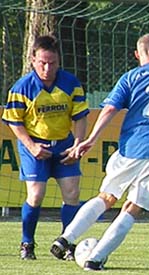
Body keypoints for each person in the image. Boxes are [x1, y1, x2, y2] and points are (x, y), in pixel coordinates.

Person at [49, 33, 149, 271]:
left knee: (106, 197)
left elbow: (109, 109)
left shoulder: (130, 77)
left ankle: (65, 238)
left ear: (137, 54)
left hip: (130, 150)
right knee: (132, 207)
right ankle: (95, 259)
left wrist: (91, 139)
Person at [1, 35, 89, 260]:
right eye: (42, 62)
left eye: (52, 63)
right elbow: (14, 121)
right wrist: (31, 146)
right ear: (33, 60)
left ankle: (66, 243)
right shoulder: (22, 87)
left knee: (72, 193)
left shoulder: (71, 84)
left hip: (64, 146)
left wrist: (78, 144)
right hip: (34, 146)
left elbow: (80, 117)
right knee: (36, 195)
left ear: (59, 61)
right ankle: (27, 243)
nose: (47, 68)